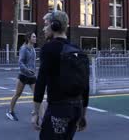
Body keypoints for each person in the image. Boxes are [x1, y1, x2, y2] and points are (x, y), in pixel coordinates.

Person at [31, 11, 89, 139]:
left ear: (55, 25)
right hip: (76, 109)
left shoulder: (49, 48)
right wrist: (83, 115)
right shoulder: (78, 50)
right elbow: (85, 86)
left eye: (46, 25)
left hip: (59, 109)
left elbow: (41, 82)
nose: (43, 28)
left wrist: (35, 113)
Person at [6, 32, 38, 121]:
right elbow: (20, 62)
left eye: (35, 37)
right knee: (17, 94)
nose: (35, 38)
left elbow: (33, 63)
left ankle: (36, 111)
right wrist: (27, 70)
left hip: (32, 76)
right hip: (23, 75)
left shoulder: (33, 49)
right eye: (34, 37)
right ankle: (10, 112)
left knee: (37, 95)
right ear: (29, 38)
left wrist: (34, 71)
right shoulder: (23, 49)